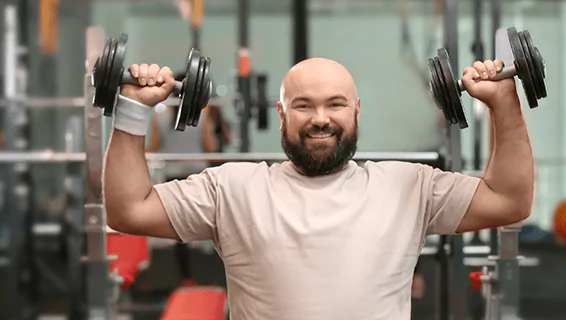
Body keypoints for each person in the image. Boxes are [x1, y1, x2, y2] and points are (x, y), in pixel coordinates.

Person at [104, 58, 534, 320]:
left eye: (335, 103)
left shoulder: (409, 186)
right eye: (303, 105)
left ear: (357, 111)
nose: (320, 118)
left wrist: (503, 102)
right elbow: (128, 211)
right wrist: (131, 110)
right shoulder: (232, 188)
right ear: (281, 114)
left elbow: (509, 201)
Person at [146, 71, 226, 288]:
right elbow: (212, 148)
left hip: (174, 178)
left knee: (179, 229)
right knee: (206, 225)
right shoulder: (201, 116)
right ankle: (207, 277)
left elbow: (153, 146)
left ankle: (185, 278)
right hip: (197, 177)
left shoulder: (160, 117)